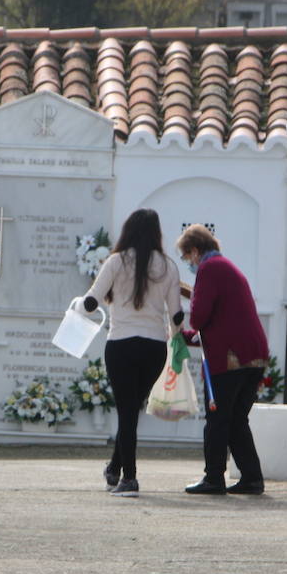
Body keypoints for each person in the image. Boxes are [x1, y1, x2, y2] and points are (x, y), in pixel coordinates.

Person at [78, 208, 182, 497]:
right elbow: (176, 315)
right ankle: (114, 468)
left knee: (126, 412)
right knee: (131, 410)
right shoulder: (168, 266)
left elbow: (91, 301)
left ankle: (130, 478)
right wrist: (177, 342)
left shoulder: (116, 261)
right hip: (154, 347)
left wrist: (79, 308)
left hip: (121, 344)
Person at [175, 224, 269, 495]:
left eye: (186, 257)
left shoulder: (209, 269)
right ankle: (252, 478)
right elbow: (218, 323)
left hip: (231, 359)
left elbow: (199, 317)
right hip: (253, 355)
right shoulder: (227, 268)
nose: (188, 262)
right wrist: (184, 338)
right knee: (237, 420)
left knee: (217, 419)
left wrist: (187, 298)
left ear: (195, 251)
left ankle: (213, 478)